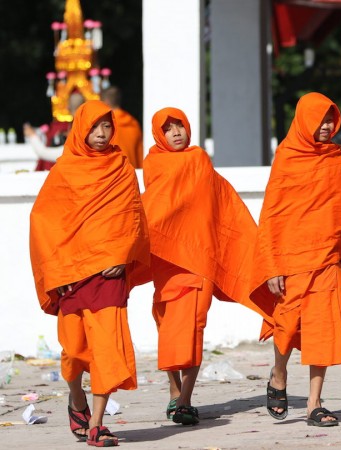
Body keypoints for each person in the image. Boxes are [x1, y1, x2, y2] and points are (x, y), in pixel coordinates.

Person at [137, 107, 275, 425]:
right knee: (168, 327)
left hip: (198, 260)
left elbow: (221, 205)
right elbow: (153, 207)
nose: (176, 132)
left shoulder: (199, 159)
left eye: (180, 126)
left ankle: (185, 399)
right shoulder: (153, 163)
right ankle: (175, 394)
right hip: (166, 262)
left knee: (193, 328)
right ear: (158, 133)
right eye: (168, 128)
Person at [250, 92, 341, 427]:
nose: (326, 127)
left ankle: (314, 404)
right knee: (287, 325)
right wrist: (272, 265)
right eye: (320, 120)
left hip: (327, 258)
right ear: (305, 120)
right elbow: (272, 214)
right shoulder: (287, 157)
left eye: (329, 120)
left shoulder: (336, 158)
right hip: (291, 259)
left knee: (322, 330)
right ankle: (278, 375)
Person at [29, 100, 150, 447]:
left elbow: (133, 216)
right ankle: (76, 397)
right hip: (71, 276)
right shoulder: (65, 170)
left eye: (107, 126)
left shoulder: (121, 167)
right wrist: (57, 270)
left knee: (106, 350)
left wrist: (124, 257)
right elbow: (44, 221)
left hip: (109, 275)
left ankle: (97, 424)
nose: (101, 134)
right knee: (74, 353)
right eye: (95, 127)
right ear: (80, 128)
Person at [23, 91, 86, 170]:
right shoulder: (90, 128)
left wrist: (32, 135)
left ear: (68, 107)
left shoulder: (60, 128)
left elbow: (43, 152)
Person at [101, 86, 143, 169]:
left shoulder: (104, 124)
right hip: (131, 172)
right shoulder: (133, 122)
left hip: (111, 173)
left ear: (106, 101)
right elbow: (140, 153)